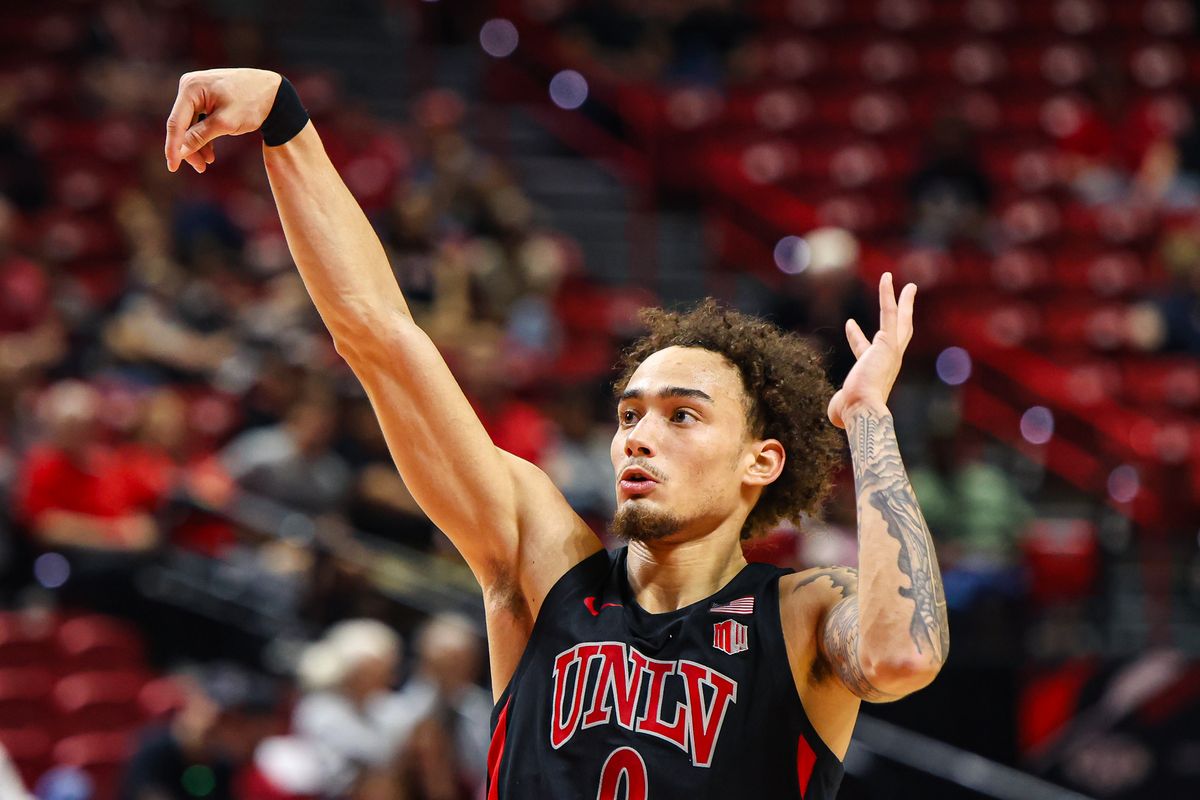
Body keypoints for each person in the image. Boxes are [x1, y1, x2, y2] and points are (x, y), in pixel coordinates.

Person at [164, 68, 949, 799]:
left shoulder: (803, 612)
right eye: (629, 414)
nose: (639, 437)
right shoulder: (543, 570)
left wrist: (868, 421)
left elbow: (902, 652)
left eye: (682, 416)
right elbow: (379, 337)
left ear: (762, 460)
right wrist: (284, 121)